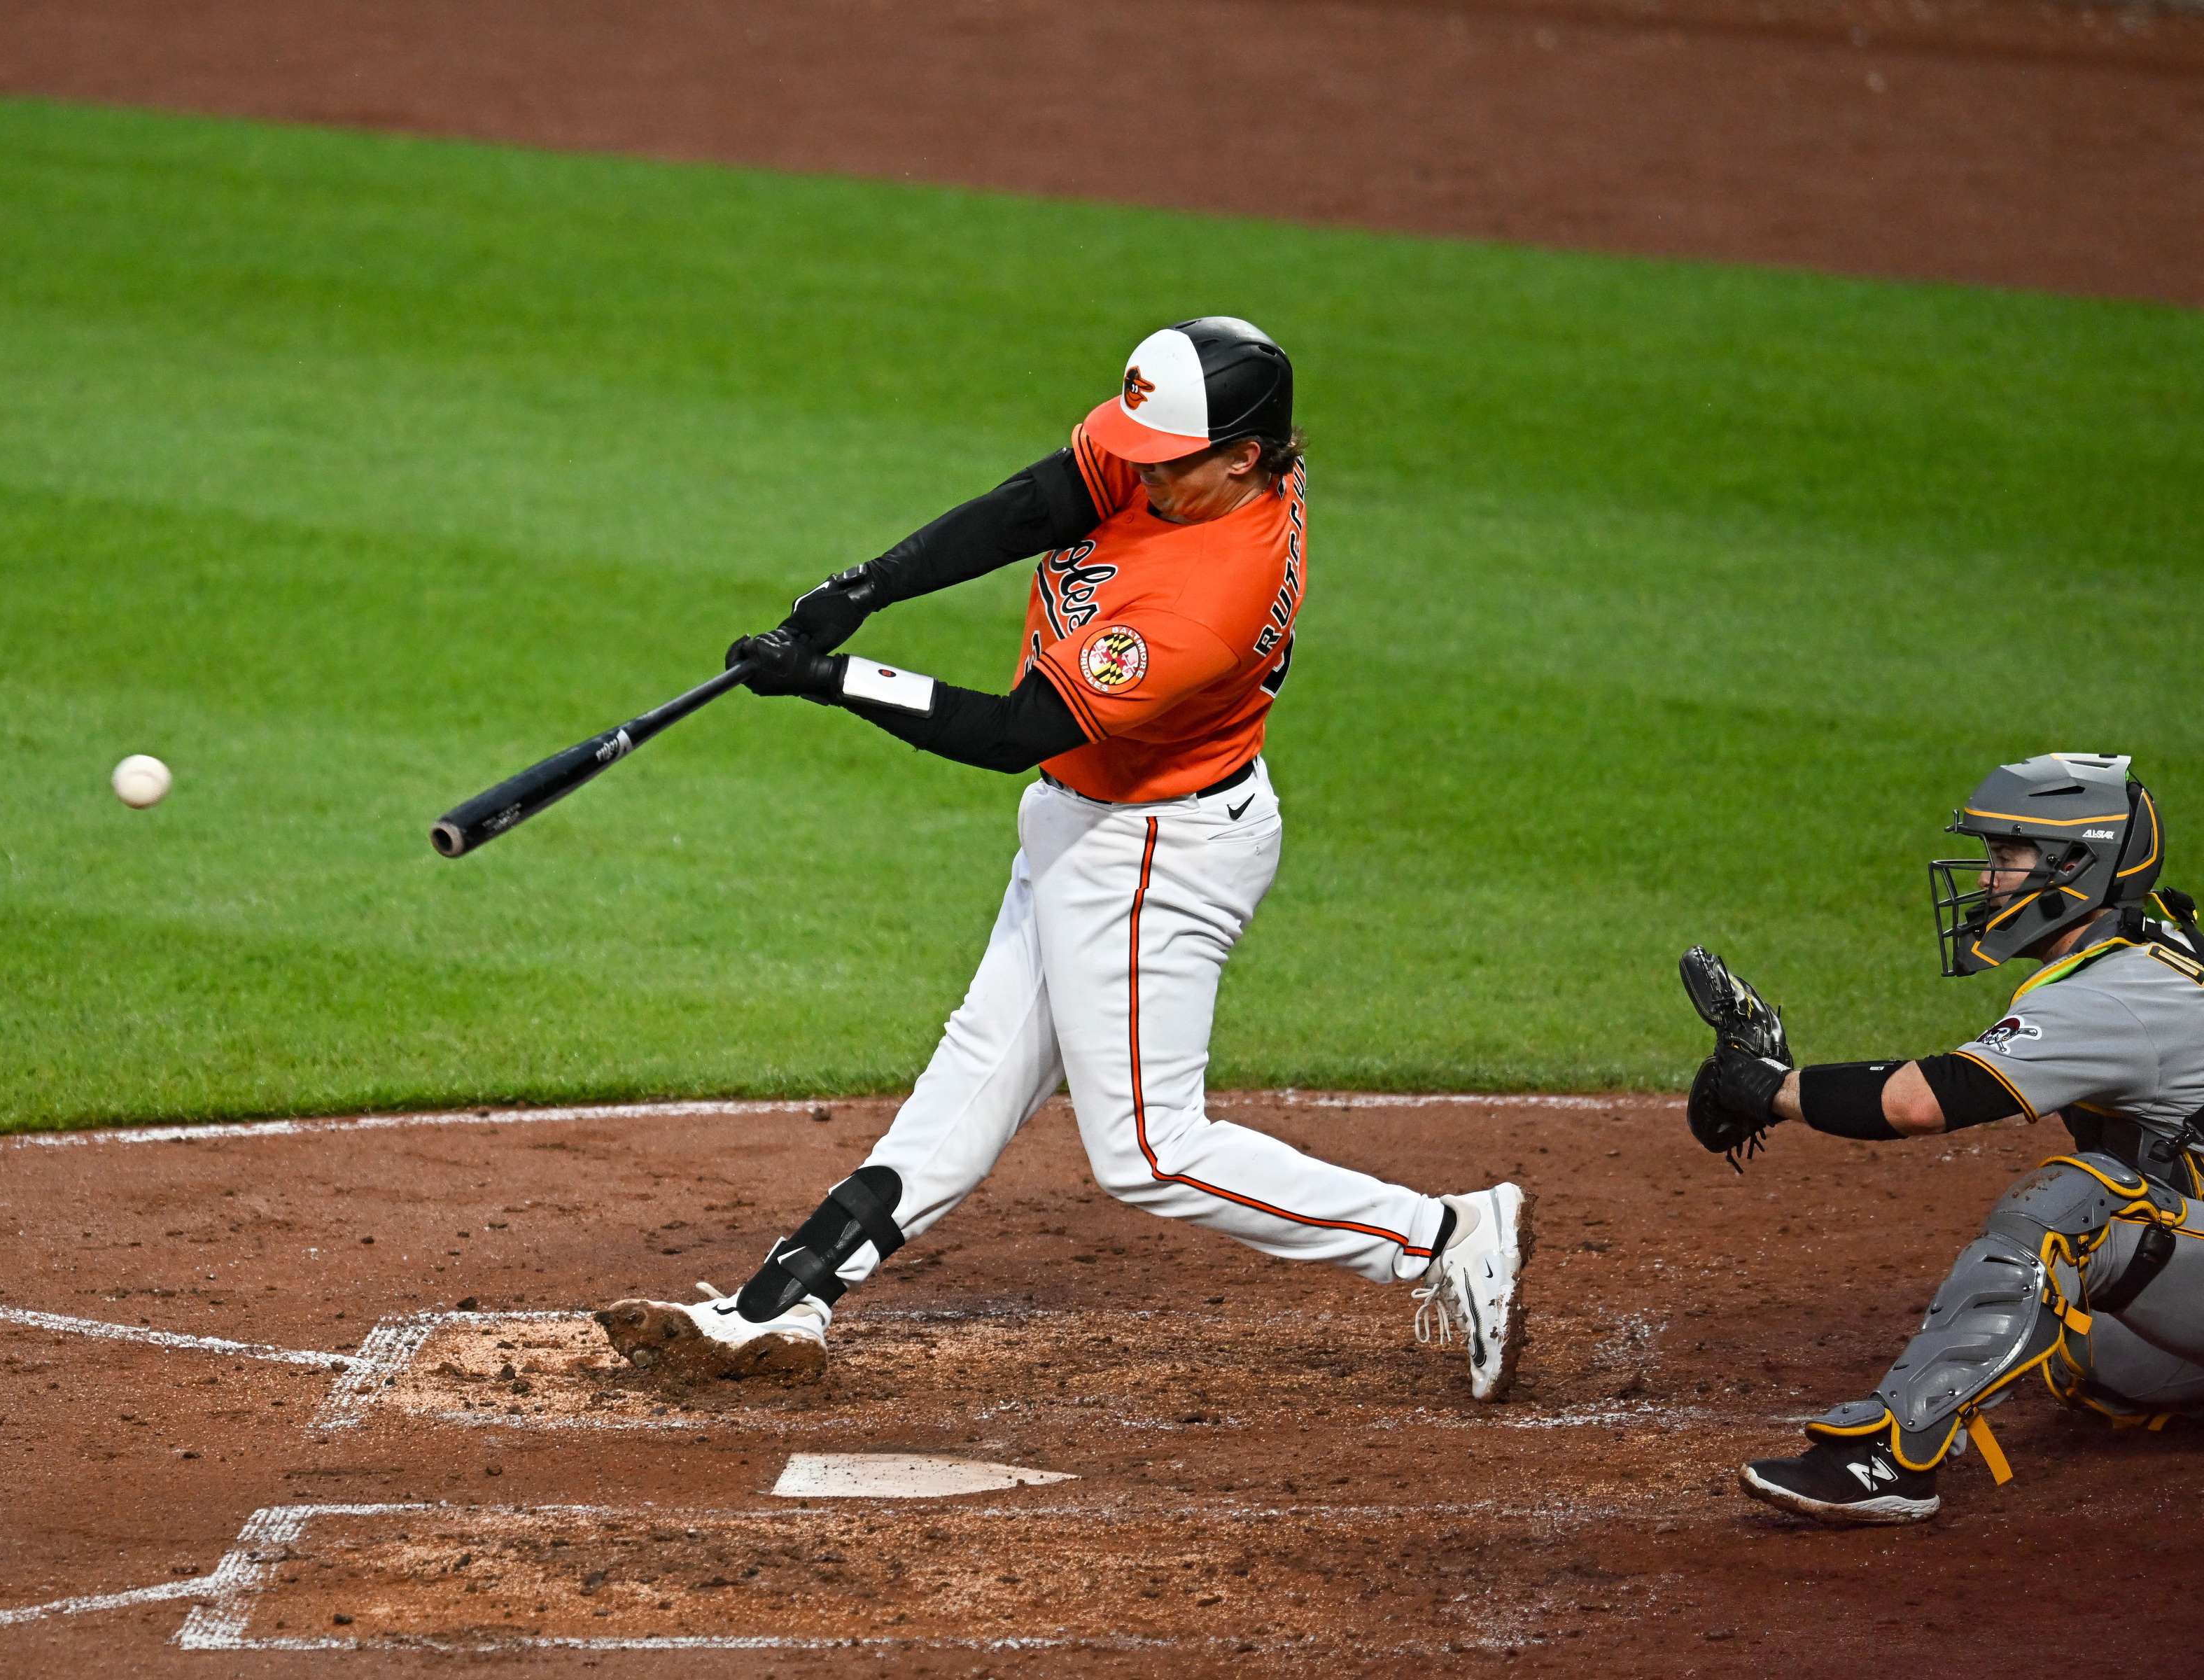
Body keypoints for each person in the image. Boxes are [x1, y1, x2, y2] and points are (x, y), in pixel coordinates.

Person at [596, 318, 1531, 1401]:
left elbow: (1012, 733)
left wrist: (833, 679)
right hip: (1088, 826)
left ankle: (1445, 1236)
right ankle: (778, 1307)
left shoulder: (1208, 597)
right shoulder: (1189, 452)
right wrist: (869, 584)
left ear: (1245, 459)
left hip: (1154, 854)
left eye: (1164, 464)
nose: (1135, 472)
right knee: (968, 1087)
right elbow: (1037, 502)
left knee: (1148, 1151)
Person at [1682, 751, 2204, 1525]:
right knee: (2085, 1352)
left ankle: (1892, 1456)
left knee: (2068, 1205)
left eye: (2007, 857)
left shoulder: (2116, 994)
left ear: (2076, 865)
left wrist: (1768, 1087)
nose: (1988, 879)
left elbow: (1921, 1101)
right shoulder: (2147, 949)